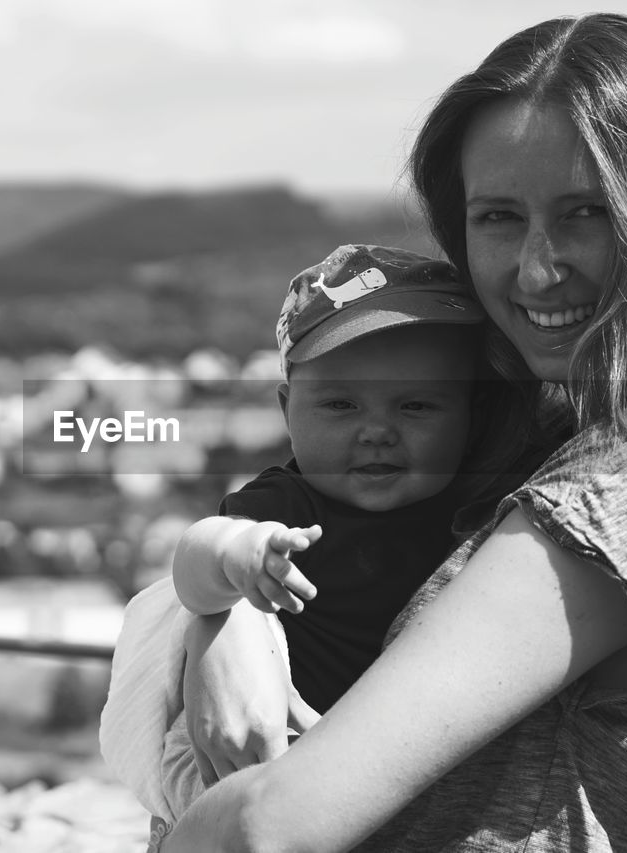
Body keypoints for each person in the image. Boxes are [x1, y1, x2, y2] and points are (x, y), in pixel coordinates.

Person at [157, 13, 627, 852]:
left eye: (585, 212)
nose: (534, 267)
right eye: (496, 217)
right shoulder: (603, 431)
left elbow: (274, 823)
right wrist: (224, 626)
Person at [100, 244, 541, 827]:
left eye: (416, 406)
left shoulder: (484, 505)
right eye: (340, 404)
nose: (378, 431)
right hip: (272, 760)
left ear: (469, 415)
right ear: (288, 411)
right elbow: (193, 560)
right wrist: (237, 553)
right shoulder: (287, 503)